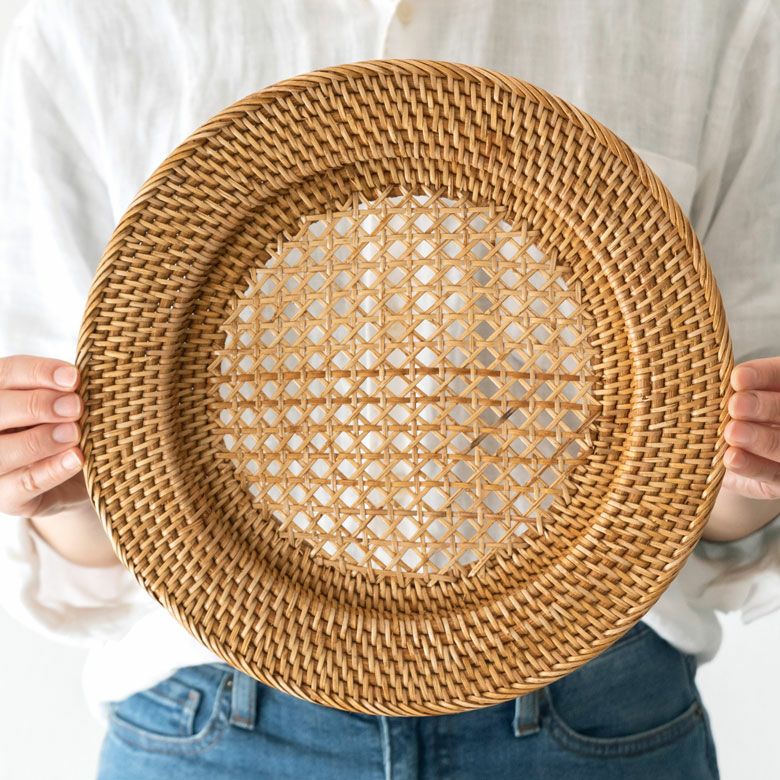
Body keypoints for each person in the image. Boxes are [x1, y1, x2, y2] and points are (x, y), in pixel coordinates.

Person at [1, 1, 778, 778]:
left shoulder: (713, 16)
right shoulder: (86, 21)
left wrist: (757, 458)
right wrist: (51, 470)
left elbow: (719, 492)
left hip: (594, 712)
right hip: (217, 721)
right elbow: (89, 534)